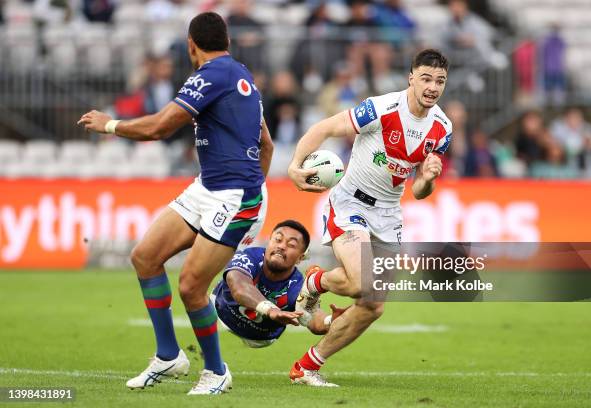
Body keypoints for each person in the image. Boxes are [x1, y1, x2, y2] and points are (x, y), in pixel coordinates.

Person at [77, 12, 274, 395]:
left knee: (190, 286)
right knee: (145, 256)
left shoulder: (210, 75)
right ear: (228, 42)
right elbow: (265, 144)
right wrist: (254, 184)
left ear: (191, 44)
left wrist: (110, 125)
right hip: (209, 188)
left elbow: (160, 127)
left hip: (234, 195)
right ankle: (169, 355)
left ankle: (216, 372)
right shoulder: (242, 76)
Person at [287, 49, 452, 386]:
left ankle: (306, 366)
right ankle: (314, 282)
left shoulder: (442, 128)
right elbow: (325, 127)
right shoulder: (381, 108)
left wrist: (428, 179)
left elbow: (418, 191)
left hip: (389, 215)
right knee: (362, 282)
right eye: (425, 78)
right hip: (351, 205)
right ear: (411, 78)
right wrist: (295, 165)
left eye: (440, 81)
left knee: (373, 306)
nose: (432, 86)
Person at [212, 220, 346, 348]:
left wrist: (331, 321)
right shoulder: (249, 257)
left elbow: (312, 318)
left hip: (260, 338)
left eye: (291, 245)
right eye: (277, 239)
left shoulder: (298, 286)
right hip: (219, 310)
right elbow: (239, 288)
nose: (281, 246)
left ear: (300, 258)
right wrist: (270, 310)